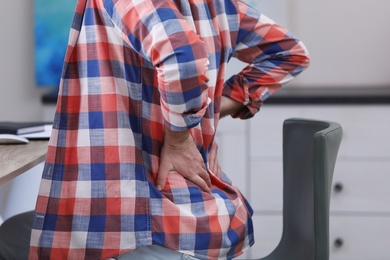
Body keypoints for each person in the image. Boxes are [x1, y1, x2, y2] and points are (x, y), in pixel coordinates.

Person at [28, 0, 310, 259]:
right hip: (197, 221)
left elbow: (181, 54)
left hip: (148, 228)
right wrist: (205, 115)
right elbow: (290, 53)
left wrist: (179, 138)